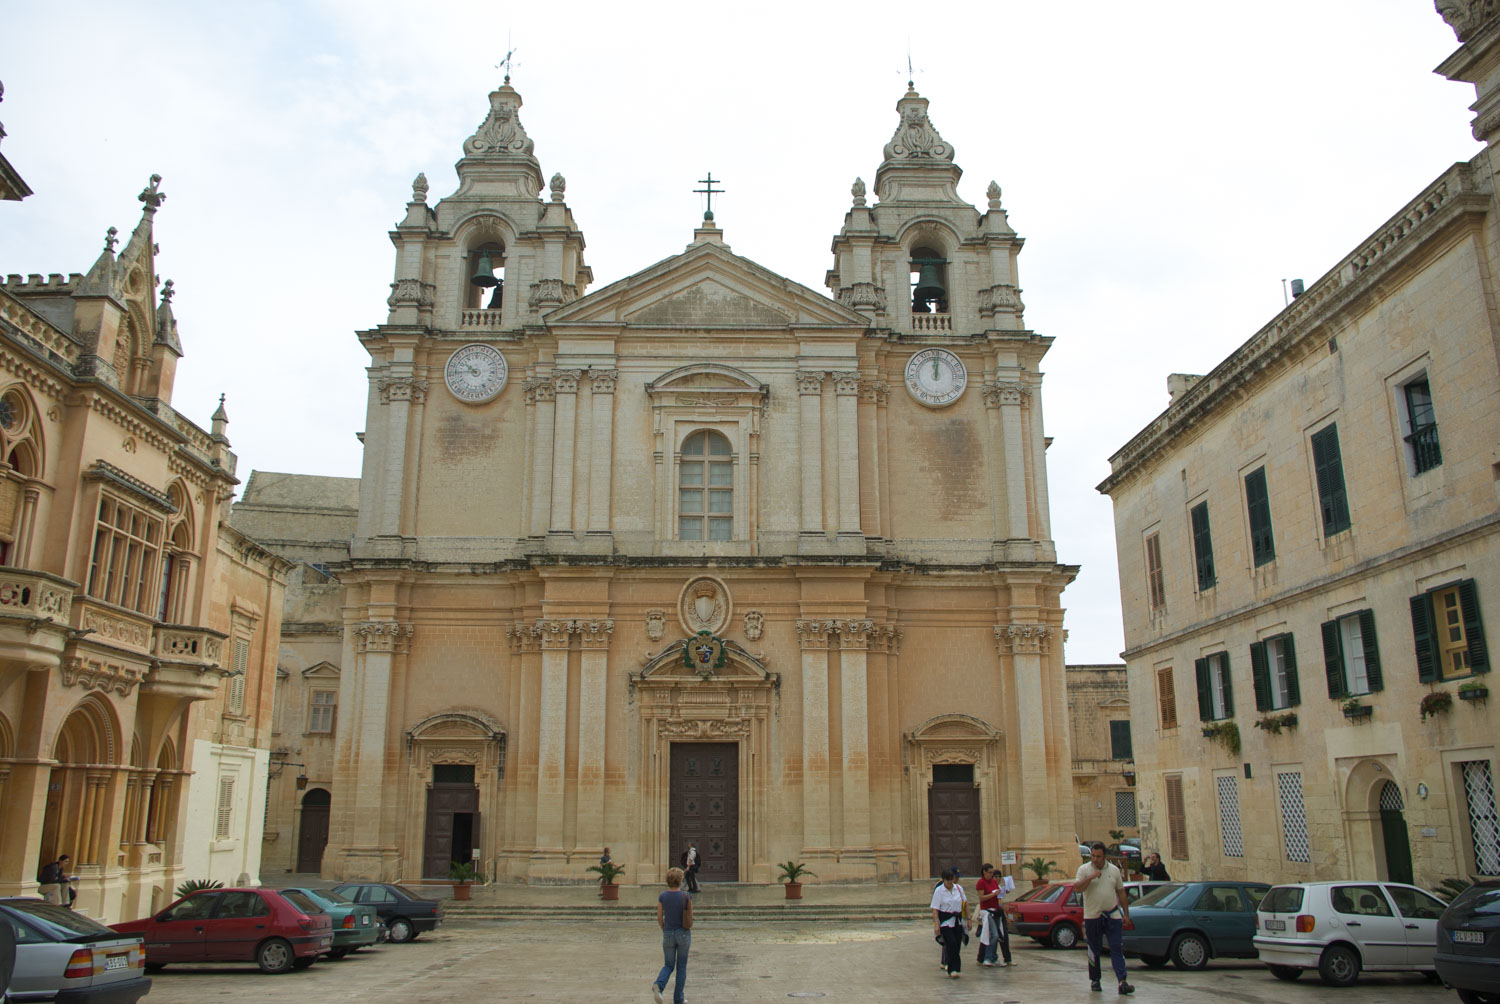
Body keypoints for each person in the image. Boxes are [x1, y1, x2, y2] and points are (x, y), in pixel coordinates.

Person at [1076, 841, 1134, 995]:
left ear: (1105, 856)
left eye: (1098, 856)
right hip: (1092, 916)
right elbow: (1077, 888)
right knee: (1094, 949)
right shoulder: (1084, 870)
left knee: (1116, 947)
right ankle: (1095, 980)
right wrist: (1091, 877)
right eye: (1092, 856)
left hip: (1112, 915)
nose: (1095, 859)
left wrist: (1126, 914)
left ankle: (1122, 981)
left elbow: (1121, 892)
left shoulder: (1114, 870)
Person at [651, 866, 693, 1004]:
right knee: (681, 966)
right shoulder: (686, 896)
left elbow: (659, 917)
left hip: (668, 933)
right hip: (683, 934)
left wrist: (665, 928)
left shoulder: (662, 896)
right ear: (681, 881)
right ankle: (678, 998)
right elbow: (690, 917)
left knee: (668, 964)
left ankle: (659, 984)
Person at [973, 862, 1012, 967]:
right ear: (984, 872)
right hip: (987, 912)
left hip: (996, 911)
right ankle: (987, 958)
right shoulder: (981, 883)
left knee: (997, 935)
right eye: (990, 873)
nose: (991, 875)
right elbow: (981, 898)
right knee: (994, 935)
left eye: (992, 872)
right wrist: (993, 894)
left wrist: (1003, 892)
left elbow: (997, 895)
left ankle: (993, 958)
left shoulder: (994, 882)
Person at [929, 868, 966, 979]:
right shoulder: (939, 891)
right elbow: (935, 909)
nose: (950, 883)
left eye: (951, 880)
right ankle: (952, 969)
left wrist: (968, 919)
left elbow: (965, 903)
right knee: (951, 942)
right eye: (948, 881)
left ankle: (954, 967)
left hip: (957, 920)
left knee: (957, 943)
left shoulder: (958, 889)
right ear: (943, 880)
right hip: (945, 921)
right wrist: (936, 924)